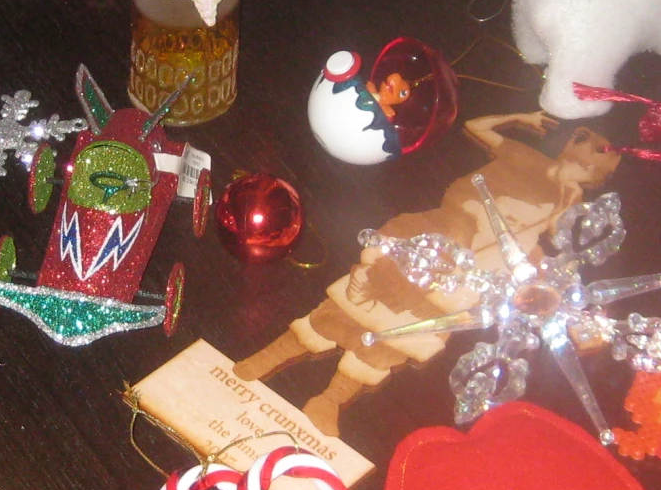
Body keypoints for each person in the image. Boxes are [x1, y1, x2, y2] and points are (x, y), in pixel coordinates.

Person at [235, 112, 621, 436]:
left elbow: (554, 242)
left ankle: (330, 400)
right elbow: (479, 127)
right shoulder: (525, 158)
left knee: (394, 339)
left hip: (472, 276)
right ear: (573, 148)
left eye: (591, 173)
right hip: (442, 239)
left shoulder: (572, 202)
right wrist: (518, 118)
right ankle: (268, 358)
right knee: (352, 307)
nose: (583, 172)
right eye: (585, 159)